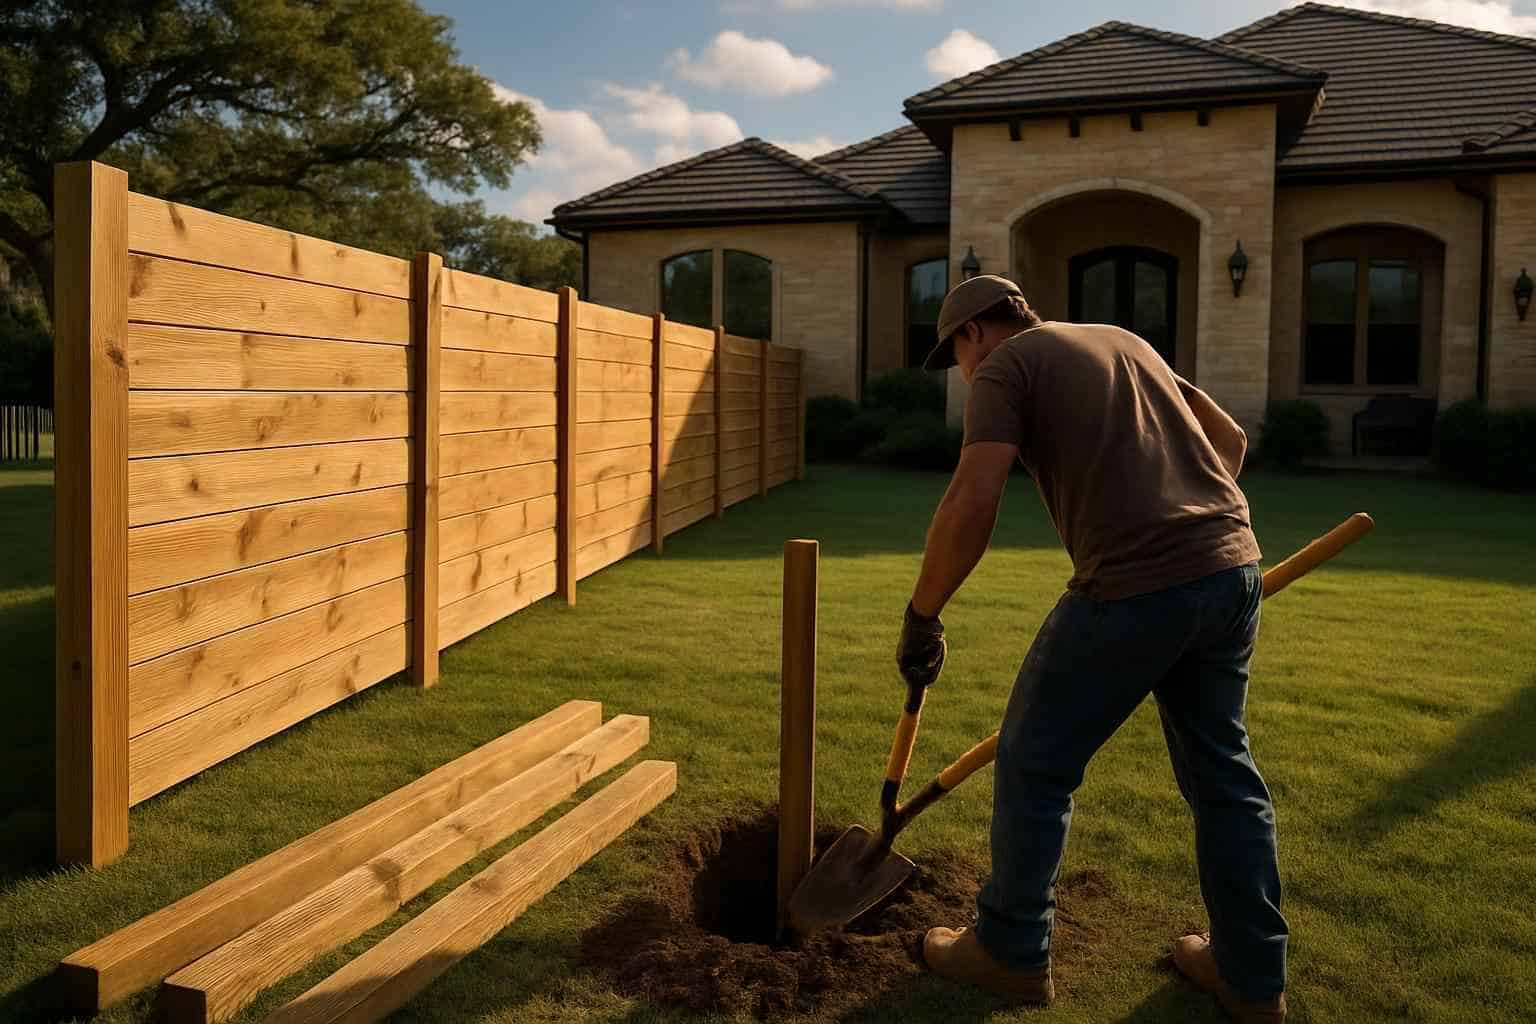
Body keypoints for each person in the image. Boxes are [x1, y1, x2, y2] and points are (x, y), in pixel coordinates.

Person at [894, 275, 1288, 1023]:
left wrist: (923, 615)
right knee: (1224, 778)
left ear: (976, 332)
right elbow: (1229, 441)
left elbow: (973, 498)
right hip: (1233, 568)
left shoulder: (1008, 367)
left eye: (957, 357)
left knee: (1035, 761)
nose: (964, 373)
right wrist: (1187, 530)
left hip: (1135, 583)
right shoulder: (1123, 341)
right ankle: (1252, 976)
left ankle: (1008, 952)